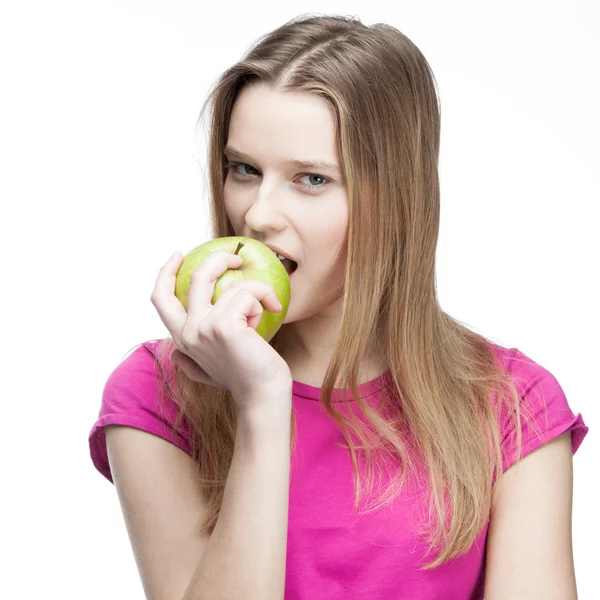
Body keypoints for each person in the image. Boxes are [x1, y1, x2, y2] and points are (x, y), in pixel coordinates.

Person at [88, 14, 589, 600]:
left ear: (395, 200)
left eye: (311, 179)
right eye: (244, 170)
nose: (257, 214)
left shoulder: (512, 405)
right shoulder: (157, 393)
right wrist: (262, 406)